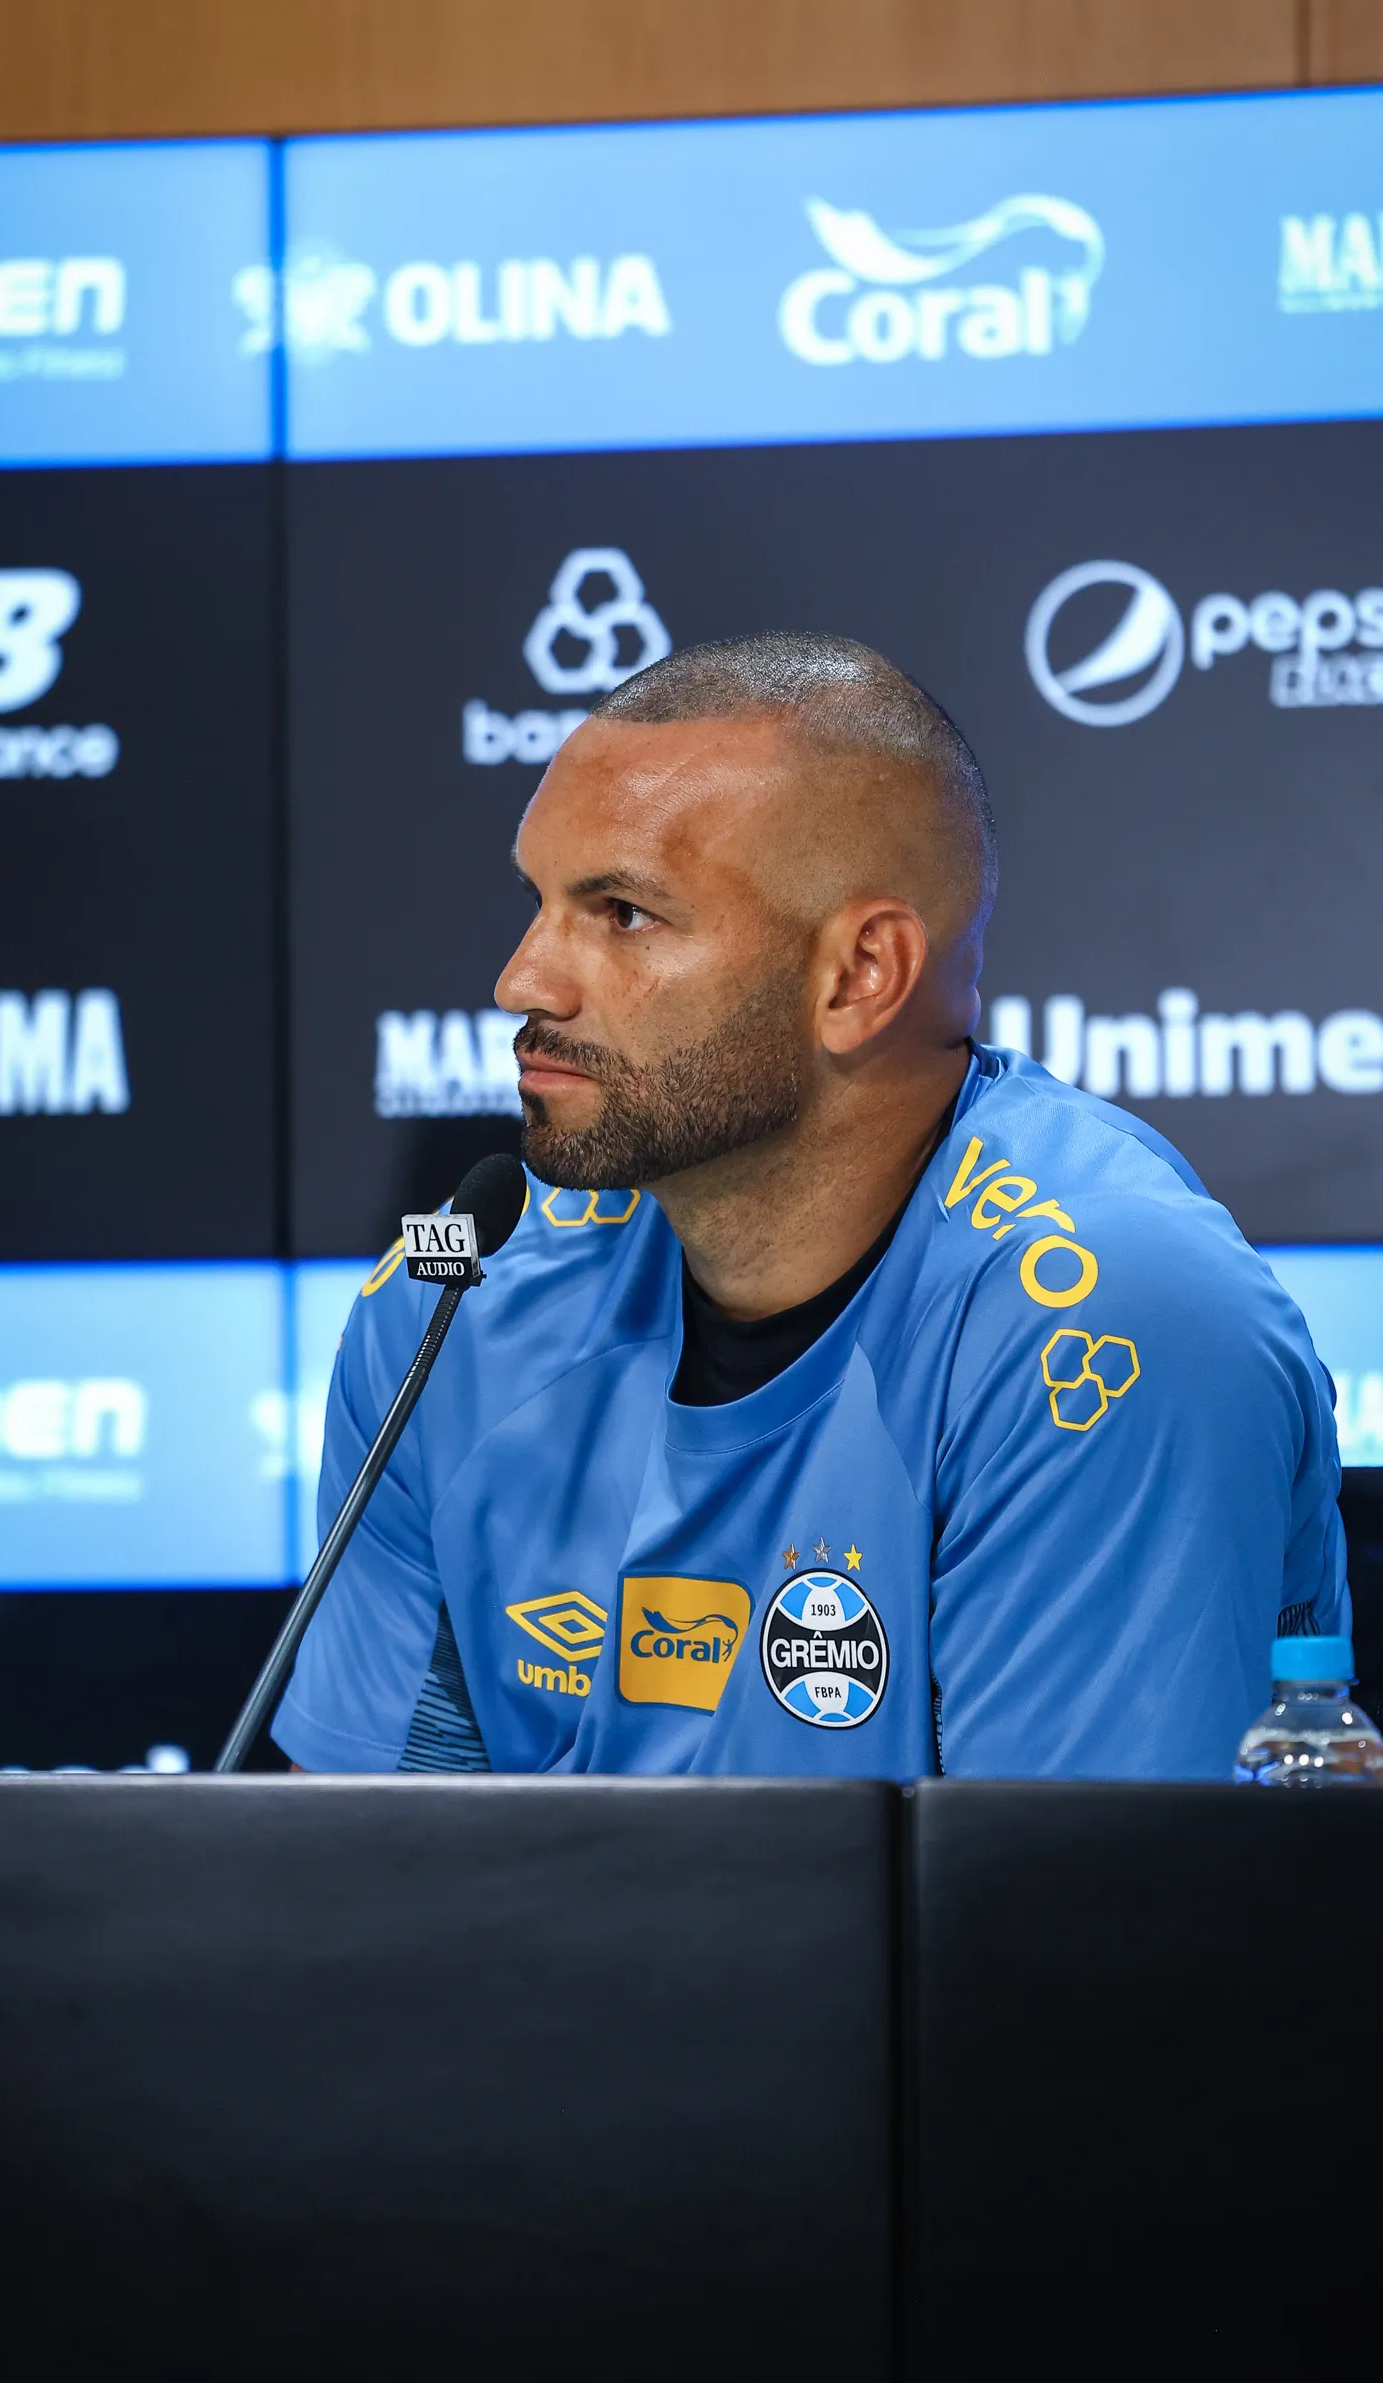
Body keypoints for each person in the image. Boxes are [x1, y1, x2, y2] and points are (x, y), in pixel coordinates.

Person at [277, 632, 1346, 1778]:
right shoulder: (459, 1303)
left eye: (623, 912)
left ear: (859, 975)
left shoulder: (1112, 1316)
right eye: (537, 900)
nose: (521, 979)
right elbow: (385, 1858)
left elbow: (1065, 1890)